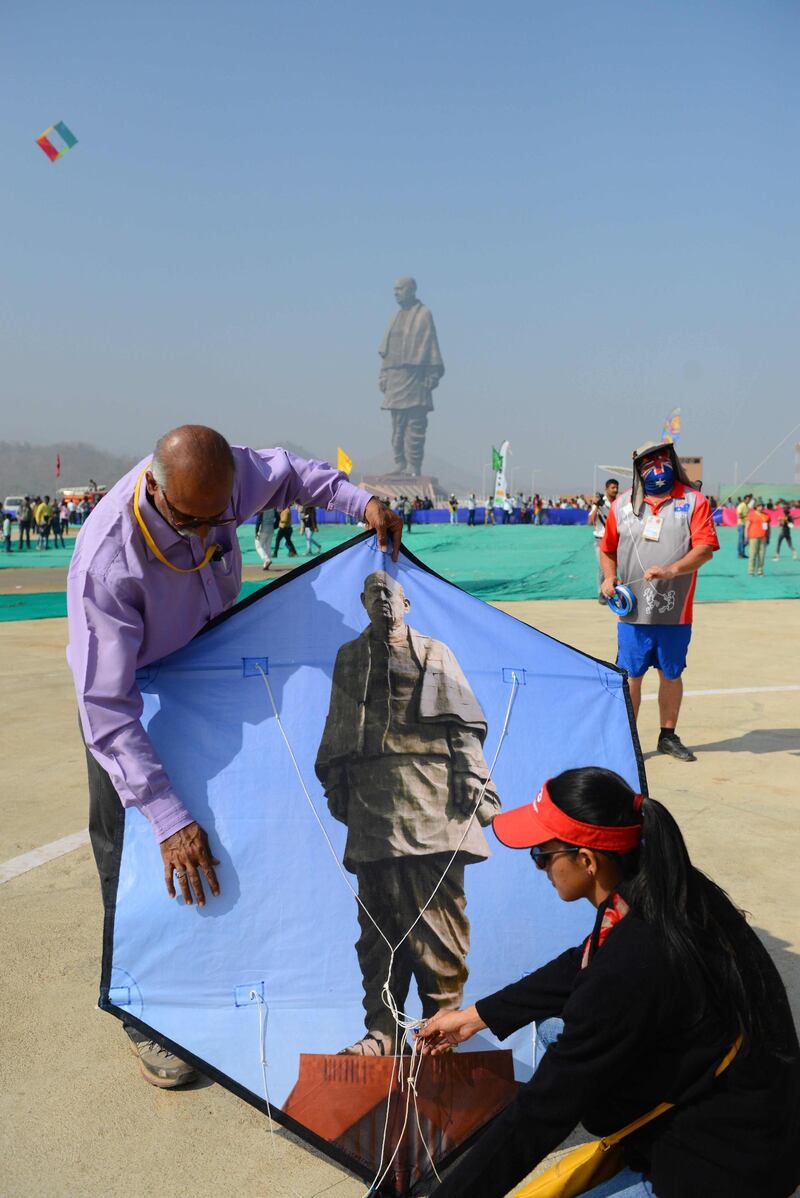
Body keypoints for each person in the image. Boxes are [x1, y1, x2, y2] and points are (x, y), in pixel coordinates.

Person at [66, 425, 401, 1088]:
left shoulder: (221, 487)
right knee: (128, 848)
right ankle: (143, 1009)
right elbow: (105, 709)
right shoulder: (108, 566)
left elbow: (299, 478)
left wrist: (362, 505)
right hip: (137, 692)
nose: (208, 529)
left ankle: (232, 956)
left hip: (209, 666)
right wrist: (165, 815)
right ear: (156, 491)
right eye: (191, 520)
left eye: (220, 516)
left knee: (243, 818)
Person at [417, 767, 800, 1198]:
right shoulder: (663, 888)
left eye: (543, 853)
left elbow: (539, 1115)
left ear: (587, 860)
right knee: (553, 1030)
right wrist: (474, 1017)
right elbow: (581, 963)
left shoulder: (632, 962)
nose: (540, 866)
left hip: (727, 1167)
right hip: (759, 1110)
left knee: (565, 1056)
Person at [314, 570, 501, 1057]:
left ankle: (442, 1025)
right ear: (362, 602)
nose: (382, 600)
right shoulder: (350, 658)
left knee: (438, 915)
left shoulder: (435, 652)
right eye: (373, 593)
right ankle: (383, 1029)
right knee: (377, 923)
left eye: (390, 593)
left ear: (407, 602)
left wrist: (470, 778)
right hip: (374, 801)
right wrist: (339, 785)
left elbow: (463, 725)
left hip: (433, 797)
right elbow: (337, 730)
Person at [599, 442, 718, 762]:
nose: (657, 465)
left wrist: (672, 570)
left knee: (671, 673)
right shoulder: (622, 504)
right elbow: (607, 548)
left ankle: (668, 735)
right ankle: (628, 742)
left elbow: (705, 549)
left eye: (663, 457)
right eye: (649, 460)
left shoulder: (694, 501)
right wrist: (608, 578)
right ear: (637, 467)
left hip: (675, 613)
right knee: (631, 675)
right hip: (632, 613)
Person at [378, 277, 444, 476]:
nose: (396, 292)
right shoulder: (395, 317)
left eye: (400, 289)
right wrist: (383, 376)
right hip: (395, 378)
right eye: (394, 289)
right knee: (397, 427)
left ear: (412, 290)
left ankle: (413, 466)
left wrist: (431, 378)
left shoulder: (423, 314)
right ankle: (400, 462)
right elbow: (387, 351)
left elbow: (430, 346)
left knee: (415, 426)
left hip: (415, 379)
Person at [588, 479, 620, 604]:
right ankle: (602, 593)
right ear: (606, 489)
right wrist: (596, 505)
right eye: (613, 488)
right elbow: (590, 521)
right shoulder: (600, 503)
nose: (615, 490)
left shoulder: (619, 503)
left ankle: (615, 592)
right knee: (603, 568)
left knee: (618, 567)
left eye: (616, 487)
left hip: (617, 539)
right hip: (601, 539)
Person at [746, 501, 769, 576]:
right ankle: (751, 571)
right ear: (756, 507)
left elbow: (768, 528)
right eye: (759, 505)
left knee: (762, 555)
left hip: (763, 538)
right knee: (753, 554)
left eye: (762, 505)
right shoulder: (751, 515)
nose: (761, 507)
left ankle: (760, 571)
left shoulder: (766, 516)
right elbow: (747, 526)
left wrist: (768, 537)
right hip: (753, 537)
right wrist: (746, 536)